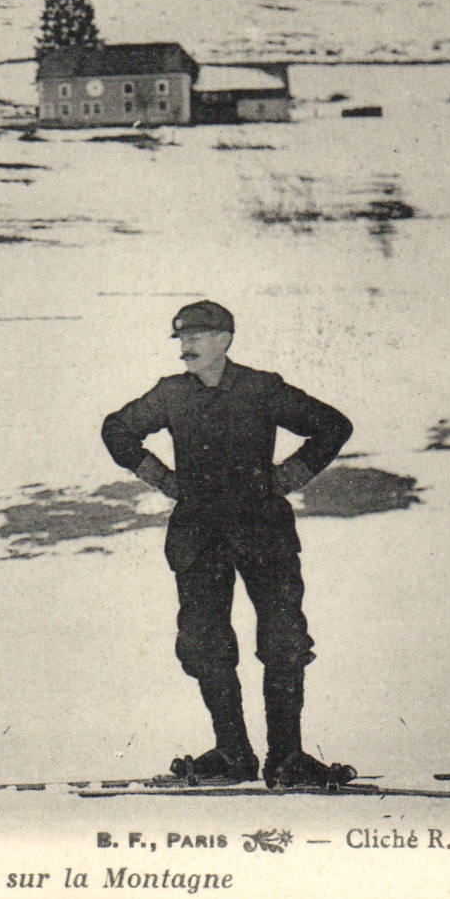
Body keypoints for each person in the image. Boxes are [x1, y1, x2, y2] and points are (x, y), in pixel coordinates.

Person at [101, 301, 357, 789]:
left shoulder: (262, 389)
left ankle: (287, 759)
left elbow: (332, 426)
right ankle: (232, 754)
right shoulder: (170, 395)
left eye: (197, 337)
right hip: (199, 533)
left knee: (283, 640)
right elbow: (117, 429)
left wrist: (289, 476)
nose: (186, 348)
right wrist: (161, 478)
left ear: (225, 340)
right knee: (204, 642)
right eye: (181, 339)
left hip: (263, 529)